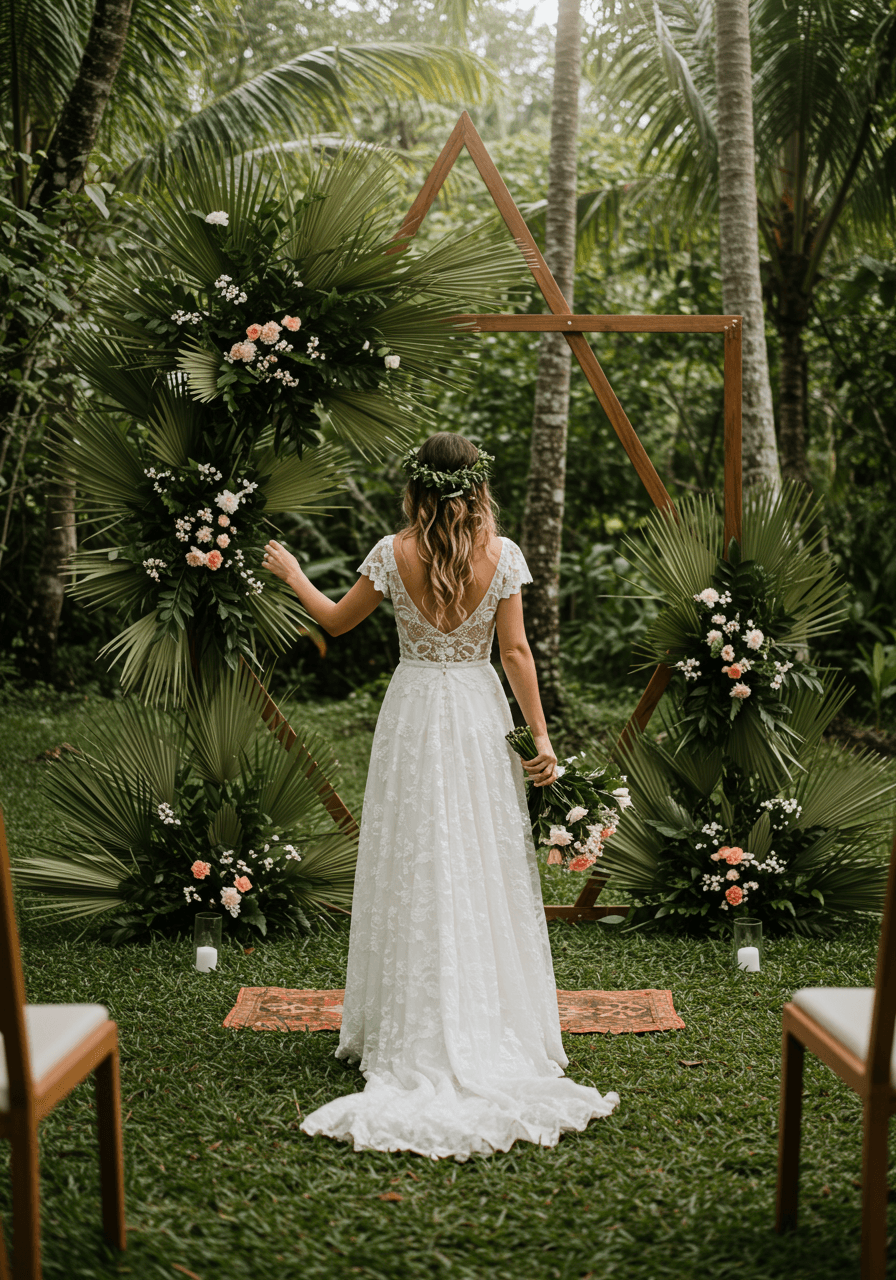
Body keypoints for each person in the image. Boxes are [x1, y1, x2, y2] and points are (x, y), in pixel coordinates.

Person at [262, 432, 618, 1160]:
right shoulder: (503, 554)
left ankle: (411, 1021)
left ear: (415, 488)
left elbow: (332, 620)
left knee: (415, 854)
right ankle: (490, 1020)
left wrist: (294, 574)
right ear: (478, 487)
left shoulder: (393, 553)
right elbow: (515, 652)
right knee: (481, 855)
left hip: (417, 711)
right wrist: (541, 739)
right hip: (481, 713)